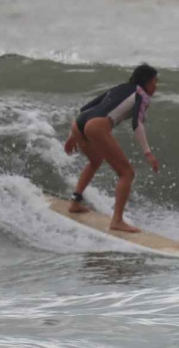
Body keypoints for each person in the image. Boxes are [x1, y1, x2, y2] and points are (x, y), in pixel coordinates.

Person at [63, 64, 161, 232]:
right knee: (127, 173)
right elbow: (137, 124)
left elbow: (87, 108)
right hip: (97, 125)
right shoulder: (141, 95)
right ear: (146, 82)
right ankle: (117, 221)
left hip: (79, 123)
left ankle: (74, 203)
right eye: (154, 82)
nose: (155, 86)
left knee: (95, 161)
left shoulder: (119, 88)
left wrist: (73, 135)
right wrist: (148, 153)